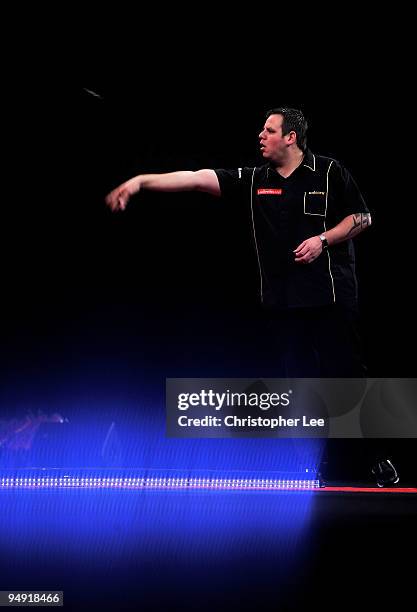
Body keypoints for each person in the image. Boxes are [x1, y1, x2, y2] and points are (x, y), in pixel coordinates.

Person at [105, 106, 397, 486]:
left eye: (269, 129)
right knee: (300, 388)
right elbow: (196, 178)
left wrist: (322, 240)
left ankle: (374, 460)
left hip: (332, 297)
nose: (261, 135)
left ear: (290, 137)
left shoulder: (329, 171)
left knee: (347, 380)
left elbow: (362, 218)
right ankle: (322, 464)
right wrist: (141, 181)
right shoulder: (255, 179)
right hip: (285, 302)